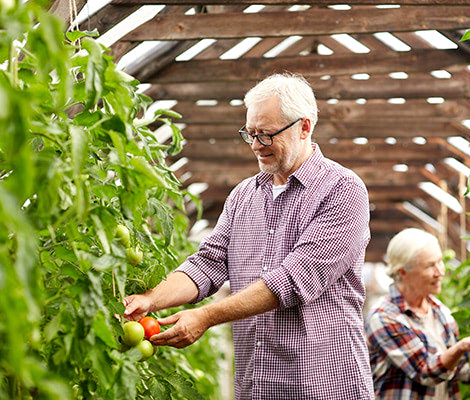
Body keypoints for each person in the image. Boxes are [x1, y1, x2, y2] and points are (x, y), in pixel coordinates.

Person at [123, 73, 375, 399]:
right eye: (251, 133)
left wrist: (205, 317)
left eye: (267, 135)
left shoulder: (342, 190)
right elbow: (207, 264)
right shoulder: (244, 195)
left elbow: (292, 281)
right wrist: (150, 299)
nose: (256, 145)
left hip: (321, 384)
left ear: (304, 127)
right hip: (256, 385)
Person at [365, 228, 470, 399]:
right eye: (430, 265)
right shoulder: (383, 317)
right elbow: (425, 372)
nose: (441, 272)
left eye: (440, 262)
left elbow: (466, 374)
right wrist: (460, 348)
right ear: (402, 272)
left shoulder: (441, 312)